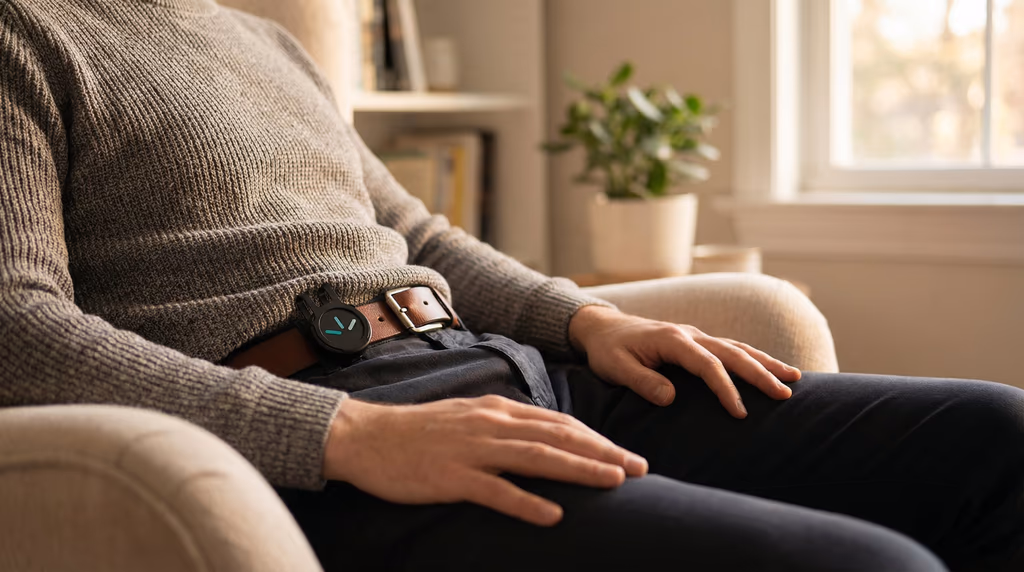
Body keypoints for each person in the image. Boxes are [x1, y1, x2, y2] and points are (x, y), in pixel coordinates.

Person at [1, 0, 1021, 570]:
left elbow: (414, 232)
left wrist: (586, 316)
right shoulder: (25, 33)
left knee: (996, 437)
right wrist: (342, 436)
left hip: (521, 376)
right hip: (339, 438)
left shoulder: (261, 40)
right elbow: (17, 326)